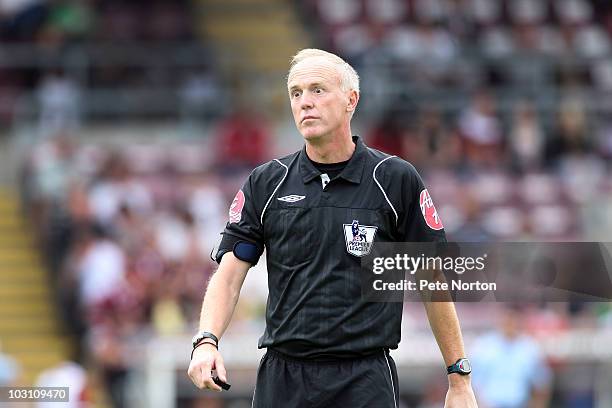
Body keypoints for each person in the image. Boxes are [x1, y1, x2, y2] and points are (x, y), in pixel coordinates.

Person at [187, 48, 478, 407]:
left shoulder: (394, 179)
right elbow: (229, 274)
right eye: (296, 93)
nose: (305, 102)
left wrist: (459, 379)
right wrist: (206, 341)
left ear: (351, 100)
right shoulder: (267, 183)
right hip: (284, 378)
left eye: (317, 90)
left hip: (364, 378)